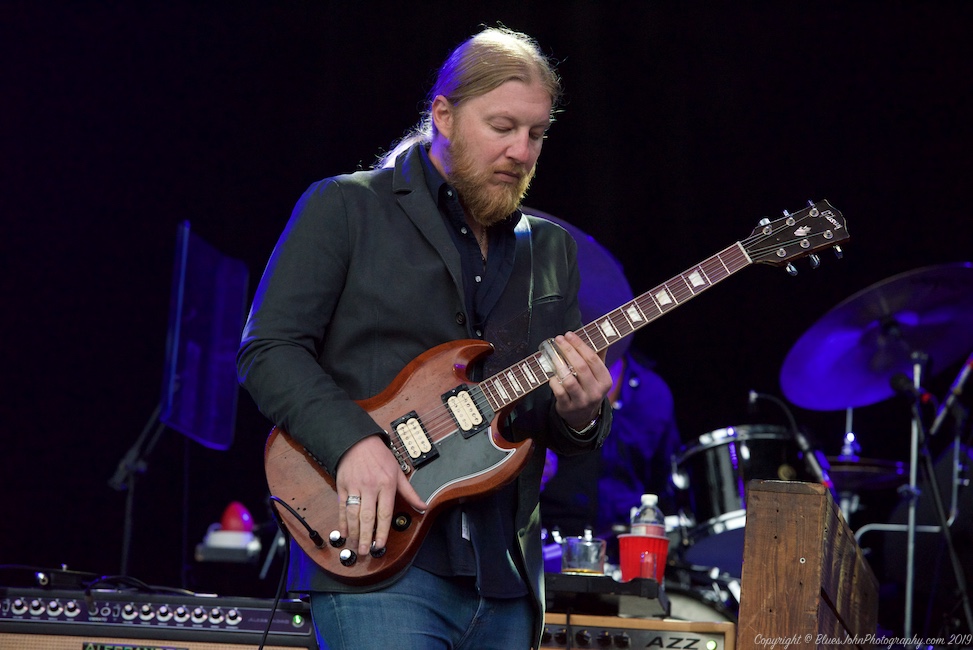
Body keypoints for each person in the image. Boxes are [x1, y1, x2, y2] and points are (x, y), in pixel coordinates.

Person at [236, 27, 614, 650]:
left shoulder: (551, 251)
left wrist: (580, 413)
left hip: (507, 585)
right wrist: (355, 443)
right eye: (502, 127)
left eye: (537, 134)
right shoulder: (345, 207)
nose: (522, 151)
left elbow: (540, 421)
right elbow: (267, 350)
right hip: (381, 570)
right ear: (443, 115)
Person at [531, 213, 681, 540]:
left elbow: (666, 494)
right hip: (539, 550)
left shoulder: (653, 396)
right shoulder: (534, 375)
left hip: (621, 561)